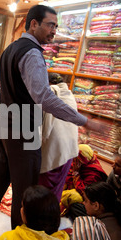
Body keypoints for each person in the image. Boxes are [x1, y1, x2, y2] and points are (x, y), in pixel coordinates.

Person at [0, 5, 105, 239]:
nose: (54, 31)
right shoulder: (32, 53)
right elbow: (44, 97)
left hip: (5, 124)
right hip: (24, 130)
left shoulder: (10, 49)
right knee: (24, 193)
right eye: (50, 25)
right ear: (33, 23)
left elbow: (1, 90)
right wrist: (83, 120)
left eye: (56, 26)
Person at [38, 72, 78, 201]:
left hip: (54, 147)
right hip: (68, 149)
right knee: (57, 188)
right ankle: (51, 215)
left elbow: (44, 128)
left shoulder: (51, 93)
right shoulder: (69, 95)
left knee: (42, 190)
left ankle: (39, 217)